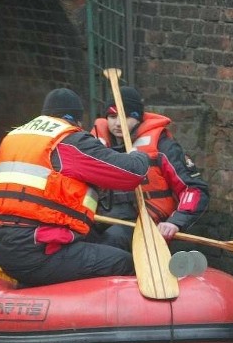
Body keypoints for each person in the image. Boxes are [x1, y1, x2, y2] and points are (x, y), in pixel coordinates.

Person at [0, 87, 151, 287]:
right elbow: (131, 174)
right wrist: (139, 154)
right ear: (77, 120)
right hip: (40, 251)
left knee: (99, 244)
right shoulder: (69, 140)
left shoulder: (13, 138)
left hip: (5, 247)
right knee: (123, 262)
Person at [90, 86, 210, 252]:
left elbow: (195, 189)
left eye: (125, 117)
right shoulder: (94, 144)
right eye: (112, 116)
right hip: (101, 218)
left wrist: (175, 222)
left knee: (111, 242)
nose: (118, 123)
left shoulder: (162, 145)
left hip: (143, 224)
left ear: (138, 118)